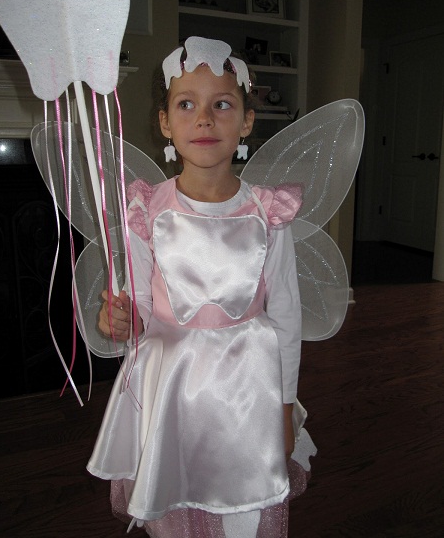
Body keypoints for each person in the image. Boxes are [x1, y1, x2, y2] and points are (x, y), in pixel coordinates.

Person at [87, 36, 315, 537]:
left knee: (244, 509)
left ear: (247, 122)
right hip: (174, 387)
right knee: (175, 503)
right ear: (165, 123)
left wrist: (283, 407)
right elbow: (142, 307)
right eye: (186, 104)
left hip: (248, 389)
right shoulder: (146, 210)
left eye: (223, 105)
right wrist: (122, 319)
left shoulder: (268, 213)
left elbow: (287, 318)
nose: (205, 119)